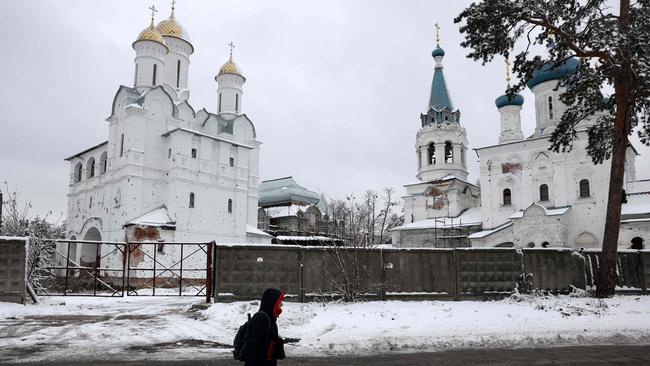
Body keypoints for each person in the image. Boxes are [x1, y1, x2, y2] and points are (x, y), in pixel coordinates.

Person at [243, 288, 286, 366]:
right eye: (280, 301)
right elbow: (252, 347)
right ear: (272, 302)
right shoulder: (261, 319)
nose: (282, 304)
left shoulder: (270, 317)